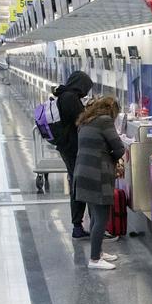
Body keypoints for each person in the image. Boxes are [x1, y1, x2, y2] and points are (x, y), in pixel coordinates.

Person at [72, 97, 126, 270]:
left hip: (83, 173)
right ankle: (95, 259)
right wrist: (112, 162)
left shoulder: (86, 120)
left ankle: (99, 252)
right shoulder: (105, 121)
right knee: (101, 217)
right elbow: (118, 148)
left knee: (95, 215)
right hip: (97, 175)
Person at [51, 71, 95, 238]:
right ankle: (78, 225)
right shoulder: (70, 98)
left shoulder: (64, 94)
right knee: (79, 185)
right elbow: (82, 120)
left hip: (67, 147)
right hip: (72, 148)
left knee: (76, 183)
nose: (85, 92)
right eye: (86, 87)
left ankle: (80, 224)